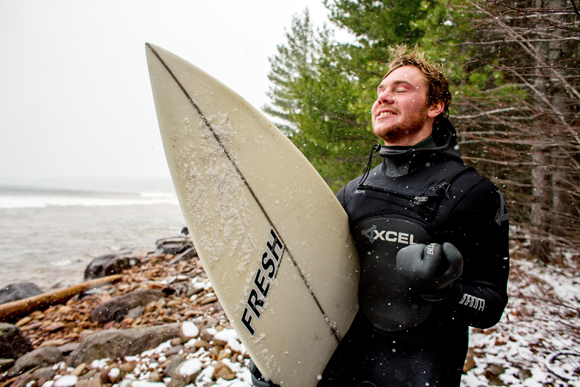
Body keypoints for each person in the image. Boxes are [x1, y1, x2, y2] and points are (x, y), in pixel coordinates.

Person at [252, 46, 510, 387]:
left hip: (421, 374)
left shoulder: (472, 193)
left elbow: (490, 305)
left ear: (435, 106)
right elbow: (315, 283)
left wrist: (444, 291)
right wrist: (282, 356)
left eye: (401, 89)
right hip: (341, 372)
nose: (384, 98)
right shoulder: (353, 192)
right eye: (381, 91)